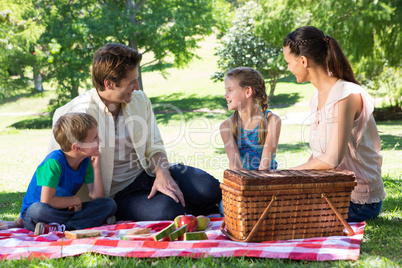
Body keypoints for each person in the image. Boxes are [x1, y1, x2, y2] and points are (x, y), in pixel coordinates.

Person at [45, 43, 221, 221]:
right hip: (120, 196)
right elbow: (57, 168)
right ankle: (207, 210)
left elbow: (154, 146)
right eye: (131, 82)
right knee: (168, 211)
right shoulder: (75, 114)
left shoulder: (139, 100)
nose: (137, 87)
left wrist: (162, 174)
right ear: (109, 84)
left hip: (149, 173)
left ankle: (208, 206)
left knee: (210, 188)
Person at [282, 26, 386, 222]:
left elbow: (331, 159)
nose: (288, 68)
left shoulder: (345, 95)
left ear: (303, 61)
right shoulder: (317, 97)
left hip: (358, 202)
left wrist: (287, 174)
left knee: (282, 215)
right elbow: (319, 156)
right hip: (332, 192)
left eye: (288, 62)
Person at [20, 113, 117, 235]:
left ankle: (61, 228)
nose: (100, 140)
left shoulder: (85, 162)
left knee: (109, 204)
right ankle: (83, 223)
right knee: (37, 210)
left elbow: (96, 197)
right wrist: (75, 200)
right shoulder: (53, 162)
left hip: (64, 211)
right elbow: (47, 201)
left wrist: (96, 167)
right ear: (77, 148)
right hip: (40, 212)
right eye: (95, 138)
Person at [220, 67, 281, 171]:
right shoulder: (226, 126)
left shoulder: (272, 121)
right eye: (226, 91)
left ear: (248, 91)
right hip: (243, 183)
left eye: (230, 90)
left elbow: (264, 166)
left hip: (267, 182)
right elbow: (236, 167)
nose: (225, 95)